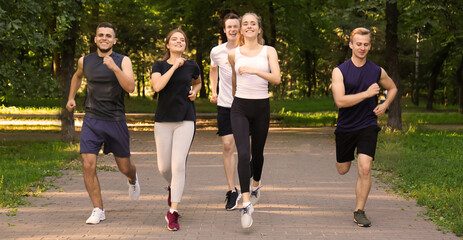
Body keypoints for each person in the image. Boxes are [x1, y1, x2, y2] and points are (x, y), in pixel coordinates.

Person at [66, 22, 140, 225]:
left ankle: (133, 179)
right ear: (95, 39)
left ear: (114, 40)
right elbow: (77, 76)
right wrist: (71, 97)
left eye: (109, 35)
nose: (104, 38)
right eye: (101, 35)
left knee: (124, 167)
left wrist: (115, 68)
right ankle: (98, 208)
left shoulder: (123, 60)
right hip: (92, 119)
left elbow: (131, 87)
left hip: (115, 120)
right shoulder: (85, 61)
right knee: (88, 163)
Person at [331, 27, 398, 227]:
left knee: (366, 169)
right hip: (345, 127)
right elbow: (340, 101)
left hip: (368, 124)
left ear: (370, 46)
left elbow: (392, 88)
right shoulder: (340, 71)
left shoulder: (377, 71)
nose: (362, 48)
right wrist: (367, 94)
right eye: (358, 44)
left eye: (366, 44)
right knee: (343, 169)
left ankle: (359, 211)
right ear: (351, 44)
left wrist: (385, 104)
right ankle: (346, 158)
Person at [228, 12, 281, 228]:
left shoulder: (269, 51)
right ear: (241, 29)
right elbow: (234, 79)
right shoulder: (233, 53)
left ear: (259, 29)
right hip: (240, 106)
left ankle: (256, 184)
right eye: (245, 24)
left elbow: (276, 79)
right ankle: (246, 202)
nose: (249, 26)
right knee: (242, 153)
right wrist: (234, 101)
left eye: (253, 23)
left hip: (261, 108)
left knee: (257, 154)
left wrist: (254, 71)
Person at [150, 29, 202, 231]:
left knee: (178, 164)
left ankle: (173, 212)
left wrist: (195, 92)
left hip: (186, 119)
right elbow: (157, 86)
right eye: (175, 39)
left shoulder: (192, 66)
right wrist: (174, 67)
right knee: (164, 168)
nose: (179, 42)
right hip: (163, 120)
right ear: (167, 44)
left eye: (182, 40)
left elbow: (197, 83)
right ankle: (173, 187)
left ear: (185, 45)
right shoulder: (159, 65)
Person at [209, 12, 242, 211]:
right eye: (229, 26)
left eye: (235, 26)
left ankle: (248, 189)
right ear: (224, 29)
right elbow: (213, 69)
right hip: (225, 104)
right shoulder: (216, 51)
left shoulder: (248, 51)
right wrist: (214, 90)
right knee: (228, 145)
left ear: (240, 28)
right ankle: (232, 190)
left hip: (246, 104)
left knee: (245, 150)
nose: (232, 30)